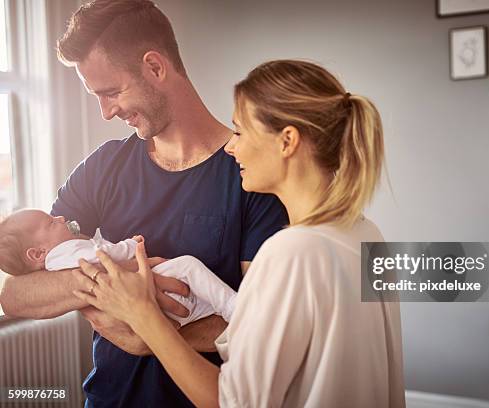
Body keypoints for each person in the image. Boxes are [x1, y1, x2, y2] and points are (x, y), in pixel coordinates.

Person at [0, 1, 287, 407]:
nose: (106, 111)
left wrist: (145, 330)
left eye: (111, 92)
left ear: (155, 67)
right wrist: (103, 285)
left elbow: (263, 326)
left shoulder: (251, 178)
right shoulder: (103, 167)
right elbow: (15, 293)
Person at [76, 59, 406, 407]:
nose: (232, 147)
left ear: (287, 141)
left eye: (240, 131)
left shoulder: (291, 253)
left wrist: (144, 317)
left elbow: (232, 402)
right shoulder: (365, 233)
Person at [0, 209, 236, 325]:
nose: (61, 218)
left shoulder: (58, 260)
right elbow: (107, 256)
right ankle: (234, 308)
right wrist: (132, 245)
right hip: (144, 295)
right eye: (51, 222)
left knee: (196, 294)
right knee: (188, 267)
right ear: (37, 253)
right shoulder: (66, 251)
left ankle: (226, 311)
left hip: (148, 312)